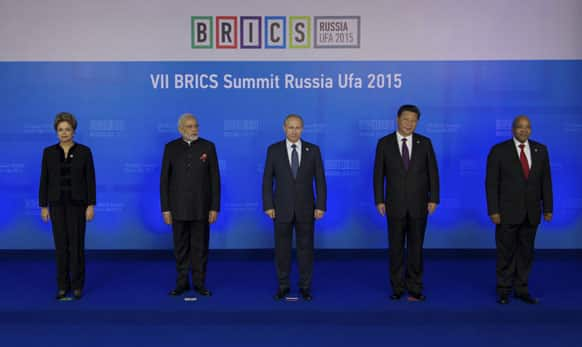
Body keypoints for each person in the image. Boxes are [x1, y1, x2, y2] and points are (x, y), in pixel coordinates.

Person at [373, 104, 439, 302]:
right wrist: (379, 200)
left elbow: (433, 173)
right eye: (406, 119)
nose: (409, 123)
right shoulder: (384, 143)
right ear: (397, 119)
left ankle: (415, 287)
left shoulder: (425, 143)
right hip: (394, 204)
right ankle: (397, 287)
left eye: (413, 120)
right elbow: (378, 175)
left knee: (416, 248)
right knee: (395, 248)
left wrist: (434, 197)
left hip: (420, 204)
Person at [486, 115, 553, 305]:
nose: (524, 130)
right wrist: (493, 210)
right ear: (512, 129)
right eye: (519, 127)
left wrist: (547, 208)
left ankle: (522, 288)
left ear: (531, 130)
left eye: (527, 127)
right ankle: (504, 290)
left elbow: (546, 182)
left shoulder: (541, 150)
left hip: (531, 212)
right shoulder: (499, 150)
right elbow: (491, 184)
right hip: (506, 212)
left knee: (526, 253)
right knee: (505, 253)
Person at [262, 114, 327, 301]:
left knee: (305, 250)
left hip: (307, 209)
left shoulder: (313, 150)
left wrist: (321, 205)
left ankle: (305, 287)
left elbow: (320, 181)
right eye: (290, 127)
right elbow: (267, 180)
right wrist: (268, 205)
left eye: (297, 127)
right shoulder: (273, 150)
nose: (294, 131)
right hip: (280, 209)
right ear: (284, 128)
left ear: (303, 129)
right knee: (282, 251)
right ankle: (283, 286)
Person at [160, 113, 220, 297]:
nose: (194, 129)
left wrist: (214, 207)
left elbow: (215, 180)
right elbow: (164, 180)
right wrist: (166, 208)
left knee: (200, 247)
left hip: (202, 207)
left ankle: (200, 283)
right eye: (190, 126)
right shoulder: (170, 147)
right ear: (181, 129)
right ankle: (182, 283)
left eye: (196, 126)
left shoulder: (208, 147)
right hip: (177, 208)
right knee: (181, 247)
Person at [39, 112, 96, 300]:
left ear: (74, 131)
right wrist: (44, 206)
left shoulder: (84, 152)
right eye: (60, 130)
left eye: (67, 129)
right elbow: (44, 180)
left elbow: (90, 180)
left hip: (78, 206)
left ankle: (78, 285)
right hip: (56, 205)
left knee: (77, 246)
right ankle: (63, 286)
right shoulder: (48, 152)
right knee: (61, 247)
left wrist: (90, 205)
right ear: (56, 132)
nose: (64, 133)